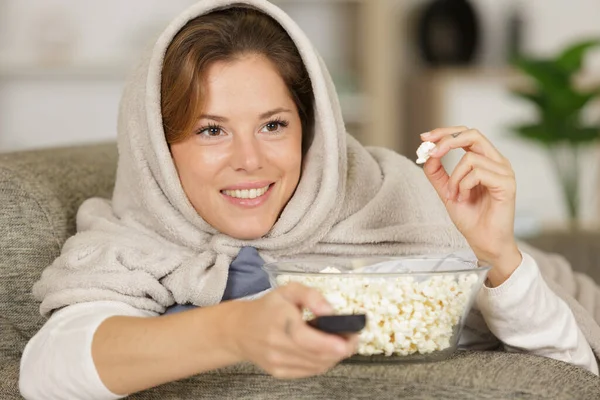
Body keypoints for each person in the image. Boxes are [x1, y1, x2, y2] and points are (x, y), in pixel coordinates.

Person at [19, 1, 599, 399]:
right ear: (155, 147)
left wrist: (493, 252)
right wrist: (235, 328)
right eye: (210, 130)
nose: (250, 159)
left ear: (310, 129)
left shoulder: (392, 200)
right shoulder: (131, 242)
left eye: (273, 125)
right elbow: (46, 373)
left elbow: (575, 371)